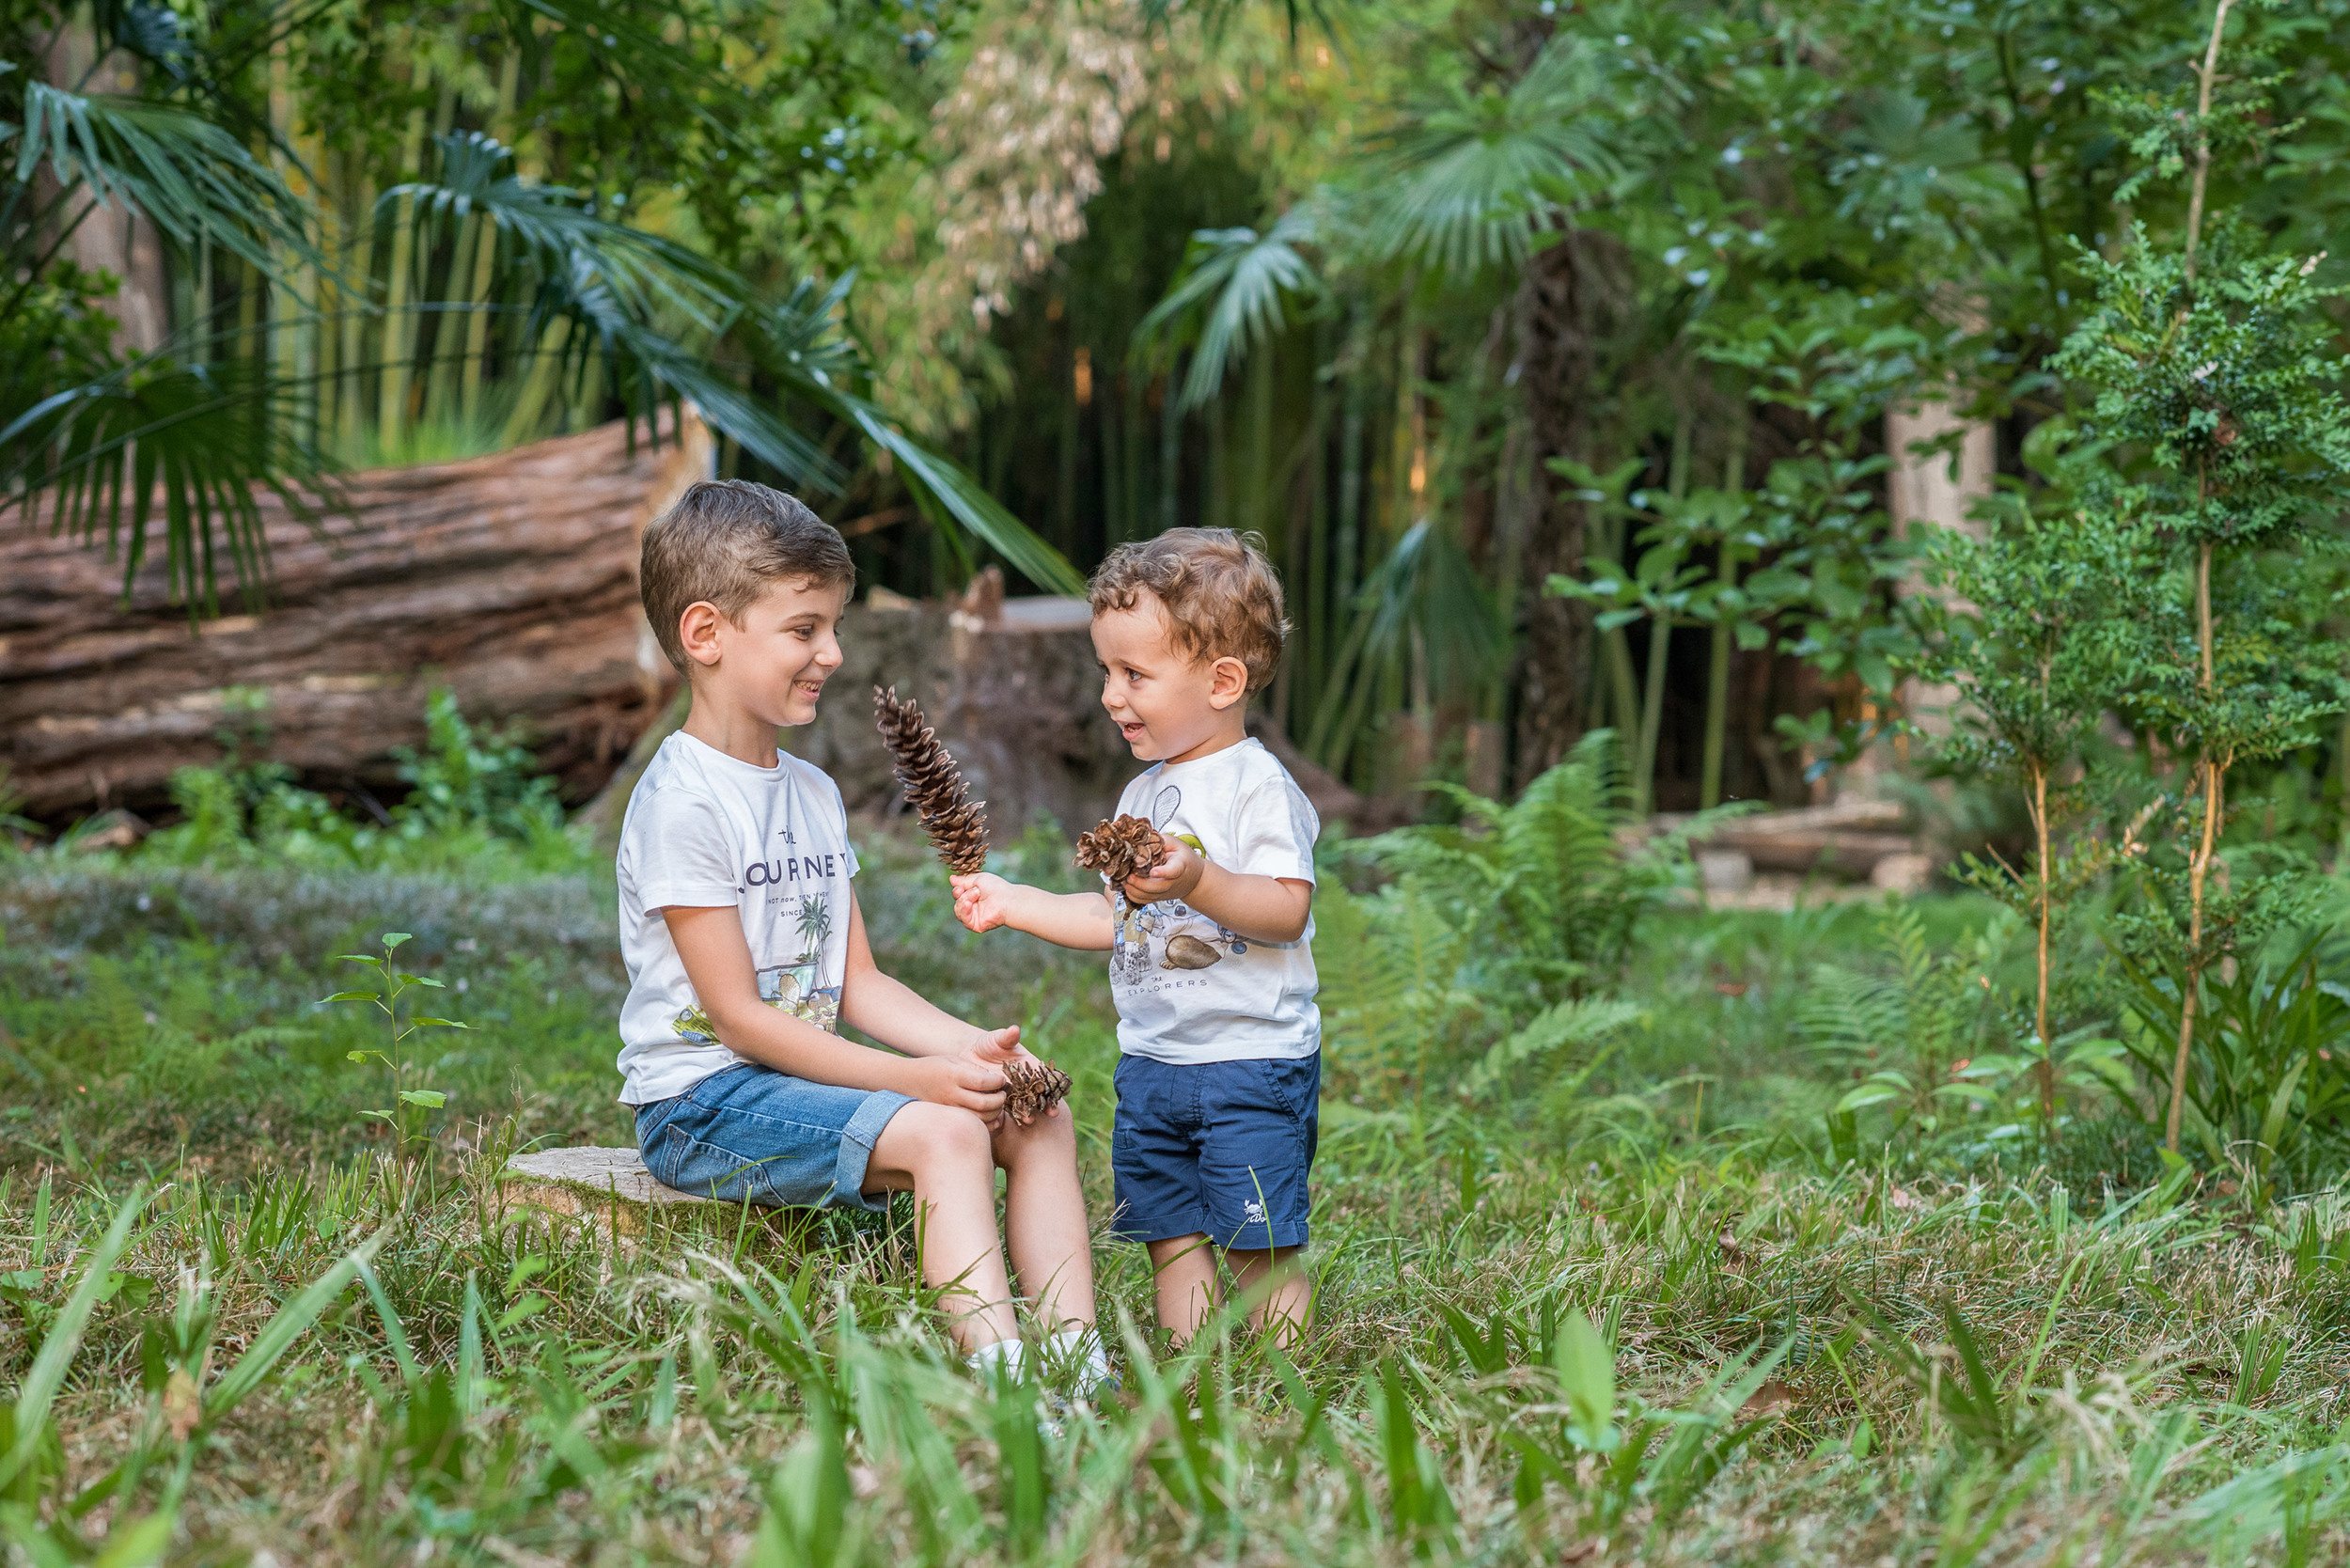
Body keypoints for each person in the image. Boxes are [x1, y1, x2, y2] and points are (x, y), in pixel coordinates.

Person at [615, 478, 1106, 1393]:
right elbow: (738, 1021)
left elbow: (855, 981)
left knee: (1038, 1112)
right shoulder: (681, 803)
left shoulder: (811, 792)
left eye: (832, 628)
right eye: (805, 629)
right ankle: (1008, 1392)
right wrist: (915, 1082)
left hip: (792, 1079)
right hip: (700, 1105)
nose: (833, 653)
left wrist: (980, 1053)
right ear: (705, 635)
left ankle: (1080, 1376)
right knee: (947, 1137)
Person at [952, 528, 1319, 1346]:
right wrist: (1015, 902)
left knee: (1258, 1236)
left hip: (1248, 1061)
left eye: (1135, 676)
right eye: (1106, 672)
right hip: (1154, 1062)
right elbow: (1115, 919)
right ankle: (1191, 1364)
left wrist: (1198, 881)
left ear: (1223, 681)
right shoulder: (1144, 791)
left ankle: (1288, 1371)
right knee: (1169, 1226)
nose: (1113, 696)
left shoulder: (1258, 788)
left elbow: (1285, 908)